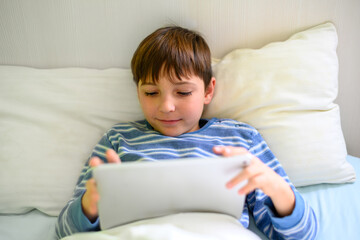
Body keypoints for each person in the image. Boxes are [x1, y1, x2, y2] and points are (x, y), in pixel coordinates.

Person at [56, 26, 318, 239]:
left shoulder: (240, 139)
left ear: (208, 90)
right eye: (150, 93)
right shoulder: (118, 140)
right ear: (138, 92)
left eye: (182, 92)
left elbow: (302, 234)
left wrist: (273, 184)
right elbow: (64, 232)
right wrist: (90, 204)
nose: (167, 106)